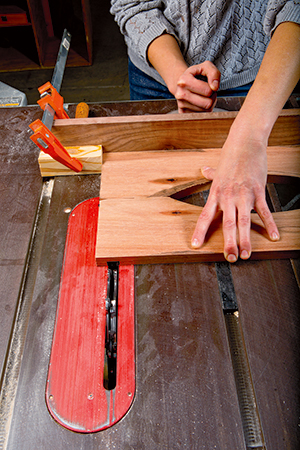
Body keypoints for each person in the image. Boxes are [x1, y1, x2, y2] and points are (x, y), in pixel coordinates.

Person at [110, 0, 300, 262]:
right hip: (154, 66)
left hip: (262, 76)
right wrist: (178, 76)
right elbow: (132, 4)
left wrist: (248, 140)